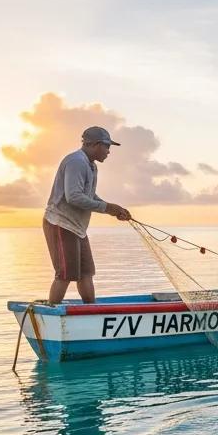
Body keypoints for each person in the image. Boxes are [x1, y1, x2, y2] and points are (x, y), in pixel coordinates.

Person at [43, 126, 133, 304]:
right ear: (96, 145)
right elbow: (74, 197)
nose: (108, 151)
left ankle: (92, 312)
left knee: (86, 273)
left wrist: (114, 210)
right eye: (107, 146)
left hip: (77, 228)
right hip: (60, 223)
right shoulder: (76, 162)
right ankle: (52, 314)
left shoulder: (91, 166)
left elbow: (89, 196)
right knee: (65, 274)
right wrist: (107, 208)